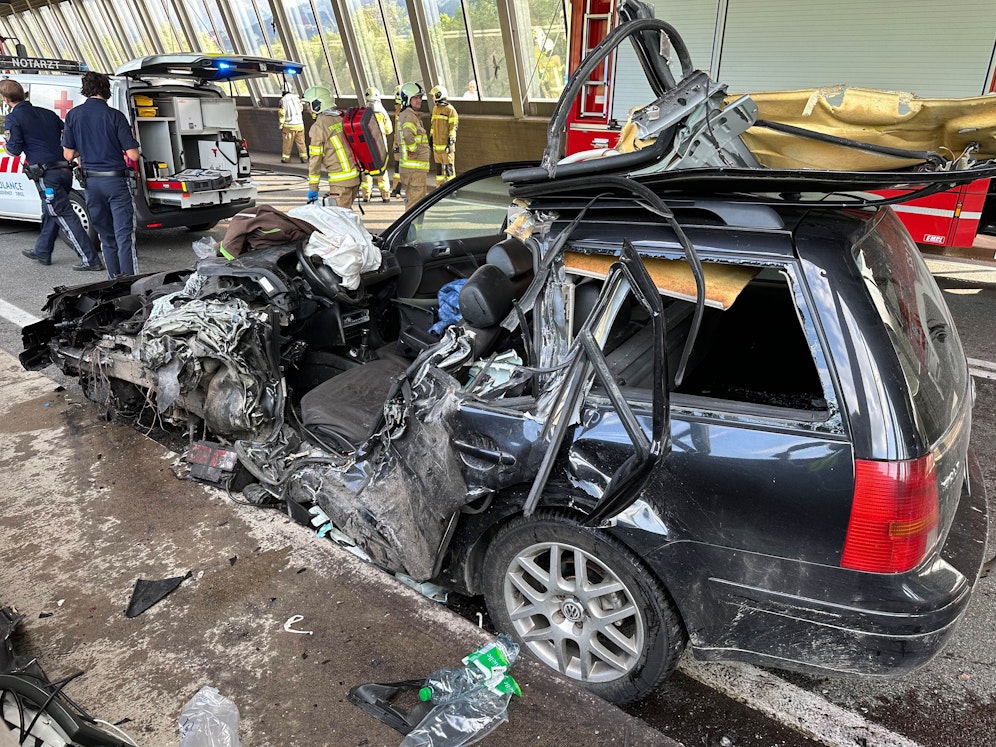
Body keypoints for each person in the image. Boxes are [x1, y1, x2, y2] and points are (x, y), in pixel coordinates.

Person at [0, 79, 103, 271]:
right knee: (50, 210)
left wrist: (6, 145)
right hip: (64, 170)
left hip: (46, 175)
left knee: (61, 212)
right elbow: (68, 138)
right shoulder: (47, 114)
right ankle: (42, 250)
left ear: (6, 99)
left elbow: (14, 150)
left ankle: (90, 260)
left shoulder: (14, 118)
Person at [62, 71, 140, 278]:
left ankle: (113, 282)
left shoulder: (73, 115)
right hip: (115, 182)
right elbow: (133, 153)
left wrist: (86, 148)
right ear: (107, 91)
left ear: (85, 90)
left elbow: (68, 154)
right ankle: (130, 283)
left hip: (91, 184)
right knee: (124, 235)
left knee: (106, 236)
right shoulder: (115, 116)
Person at [303, 85, 359, 208]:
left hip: (339, 182)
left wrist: (313, 187)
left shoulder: (318, 127)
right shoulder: (341, 117)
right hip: (355, 178)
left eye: (308, 105)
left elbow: (315, 161)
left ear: (317, 104)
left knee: (340, 220)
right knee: (347, 214)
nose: (307, 109)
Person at [397, 82, 430, 210]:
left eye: (420, 98)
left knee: (413, 201)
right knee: (416, 205)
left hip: (412, 169)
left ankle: (413, 229)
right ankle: (413, 230)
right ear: (407, 99)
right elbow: (407, 135)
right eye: (415, 98)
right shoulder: (409, 116)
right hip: (415, 170)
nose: (419, 101)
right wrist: (413, 150)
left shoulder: (408, 114)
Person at [359, 86, 393, 203]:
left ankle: (366, 195)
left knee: (367, 170)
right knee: (381, 170)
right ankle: (385, 195)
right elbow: (389, 130)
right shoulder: (382, 113)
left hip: (367, 146)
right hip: (381, 145)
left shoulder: (363, 112)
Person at [429, 85, 458, 187]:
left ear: (438, 95)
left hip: (446, 147)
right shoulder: (435, 109)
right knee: (439, 172)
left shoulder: (450, 110)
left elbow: (453, 127)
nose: (432, 98)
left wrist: (451, 141)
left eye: (433, 96)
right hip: (437, 147)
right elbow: (433, 125)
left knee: (449, 169)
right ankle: (439, 188)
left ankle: (452, 189)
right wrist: (431, 137)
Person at [278, 89, 307, 164]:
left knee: (287, 144)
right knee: (301, 143)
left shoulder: (283, 100)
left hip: (289, 126)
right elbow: (301, 108)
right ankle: (304, 158)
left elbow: (282, 113)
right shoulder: (297, 98)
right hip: (300, 125)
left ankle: (286, 158)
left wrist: (281, 124)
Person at [390, 84, 404, 198]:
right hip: (398, 144)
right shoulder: (398, 110)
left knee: (400, 168)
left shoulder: (402, 111)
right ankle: (396, 188)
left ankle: (397, 188)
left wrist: (397, 143)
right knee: (397, 168)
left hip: (401, 145)